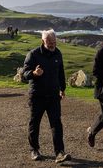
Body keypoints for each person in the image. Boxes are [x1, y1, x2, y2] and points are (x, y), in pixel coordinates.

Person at [22, 29, 71, 163]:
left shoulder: (58, 53)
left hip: (53, 96)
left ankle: (60, 152)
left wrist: (63, 88)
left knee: (56, 124)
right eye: (49, 42)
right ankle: (34, 150)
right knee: (34, 123)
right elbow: (24, 75)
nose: (52, 45)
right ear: (43, 41)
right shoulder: (33, 54)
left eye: (54, 42)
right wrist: (34, 73)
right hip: (37, 95)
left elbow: (61, 73)